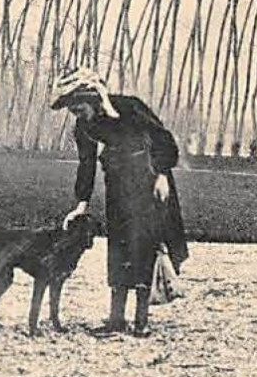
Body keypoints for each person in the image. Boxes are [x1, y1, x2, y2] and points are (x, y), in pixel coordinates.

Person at [50, 66, 188, 337]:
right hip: (117, 185)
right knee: (118, 246)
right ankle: (116, 319)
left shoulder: (129, 107)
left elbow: (164, 140)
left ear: (91, 99)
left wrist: (161, 173)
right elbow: (86, 163)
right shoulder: (85, 127)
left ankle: (141, 321)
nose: (77, 116)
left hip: (147, 182)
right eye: (73, 112)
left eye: (80, 109)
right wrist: (81, 202)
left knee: (143, 246)